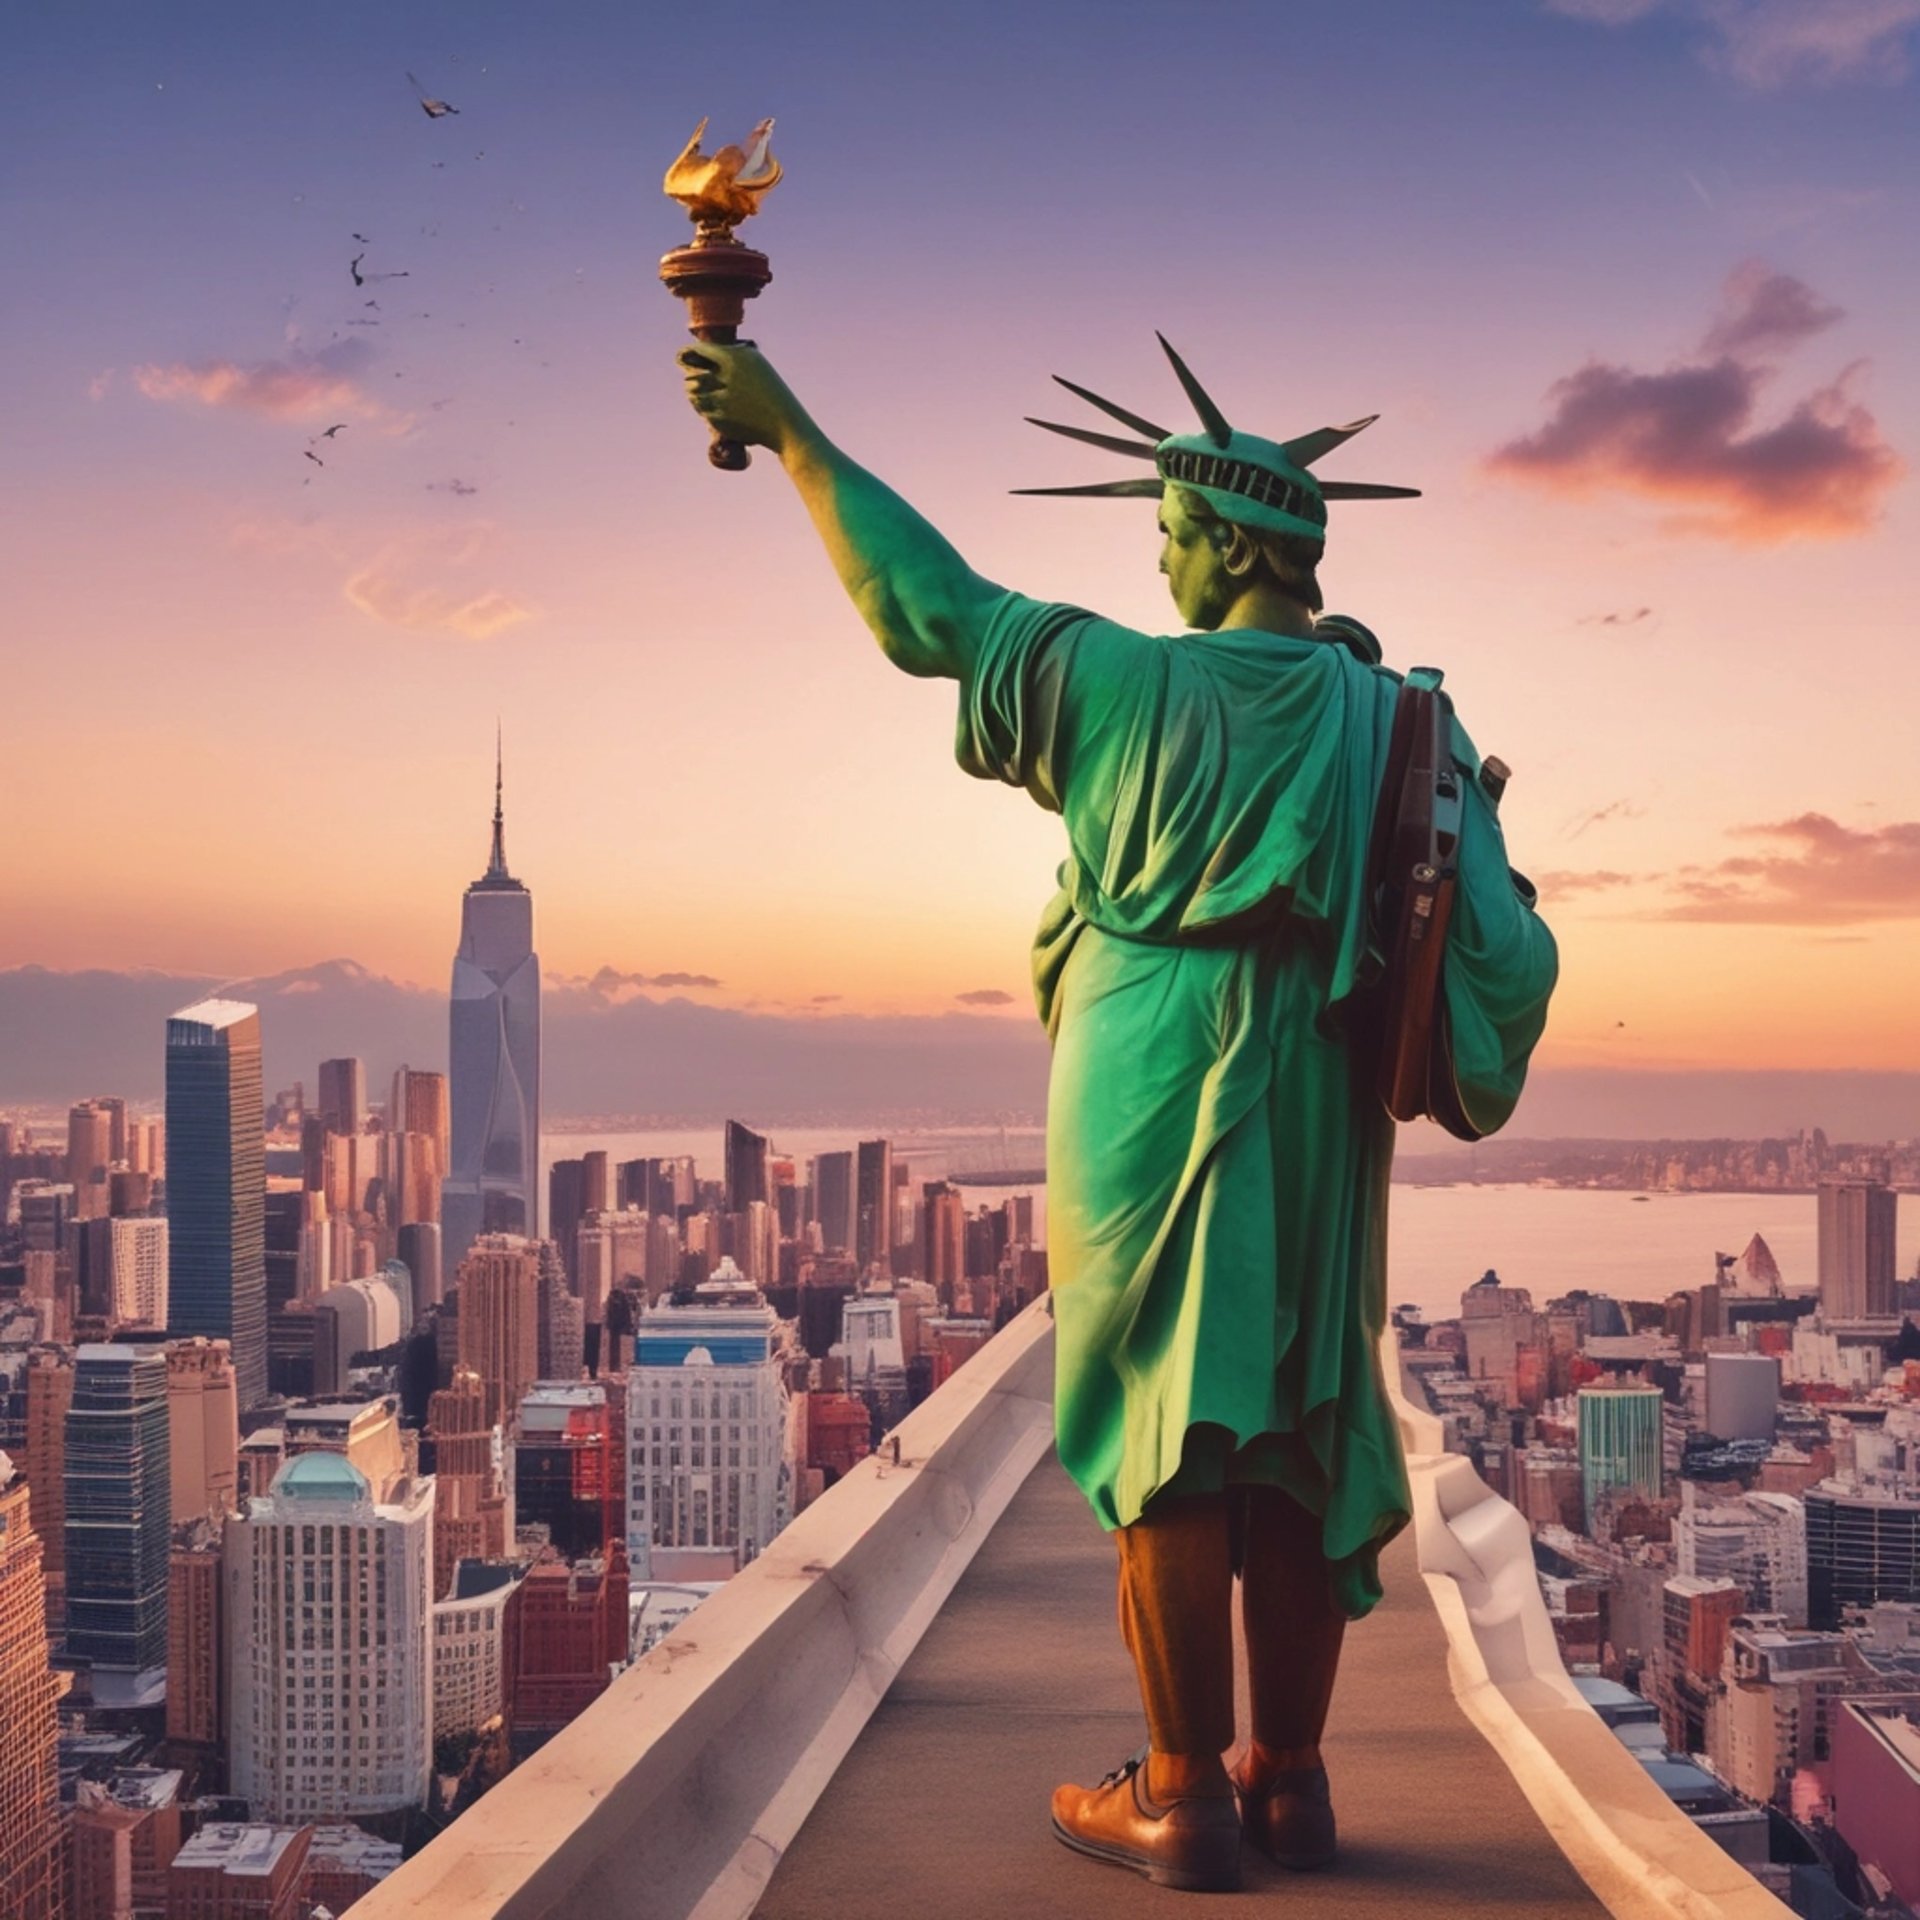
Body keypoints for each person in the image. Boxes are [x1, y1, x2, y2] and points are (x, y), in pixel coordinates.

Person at [678, 336, 1558, 1895]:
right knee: (1298, 1417)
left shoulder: (1119, 679)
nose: (1158, 561)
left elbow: (927, 609)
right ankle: (1289, 1780)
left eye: (1169, 532)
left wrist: (793, 432)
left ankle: (1181, 1797)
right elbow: (1507, 952)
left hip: (1144, 1080)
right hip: (1322, 1090)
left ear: (1230, 541)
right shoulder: (1394, 722)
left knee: (1170, 1429)